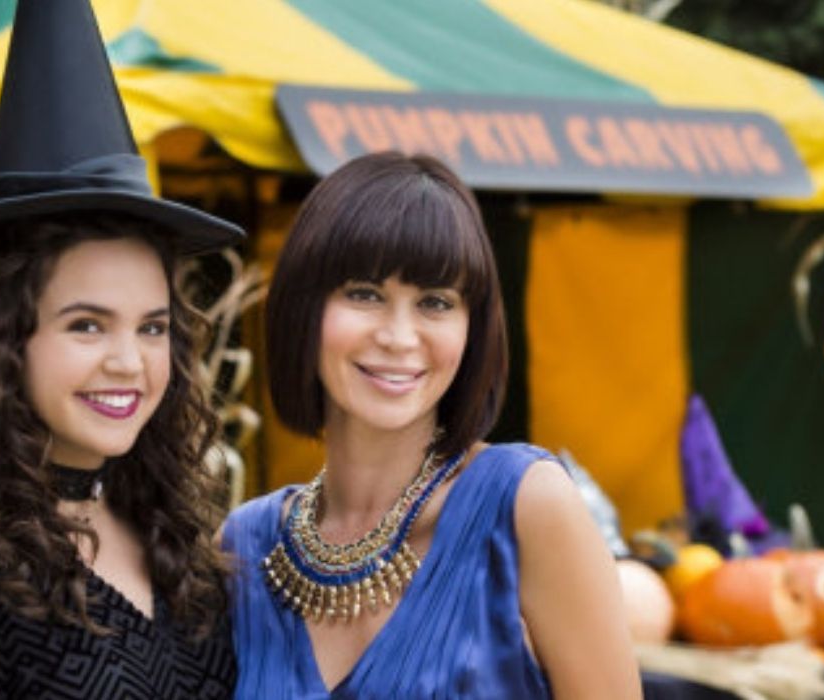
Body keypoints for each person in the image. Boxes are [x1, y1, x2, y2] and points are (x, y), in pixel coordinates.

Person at [0, 1, 242, 697]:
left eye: (153, 326)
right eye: (86, 325)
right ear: (5, 341)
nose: (129, 361)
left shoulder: (178, 545)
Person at [223, 152, 641, 698]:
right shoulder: (245, 545)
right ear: (304, 307)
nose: (399, 337)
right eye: (365, 294)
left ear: (473, 329)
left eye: (435, 302)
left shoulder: (524, 506)